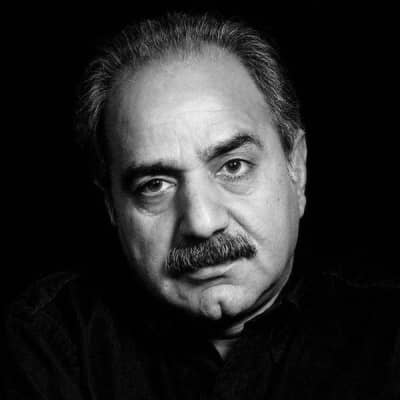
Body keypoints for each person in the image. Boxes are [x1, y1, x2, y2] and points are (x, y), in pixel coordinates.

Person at [2, 12, 399, 399]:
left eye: (233, 166)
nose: (202, 222)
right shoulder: (55, 341)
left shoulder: (390, 331)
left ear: (296, 168)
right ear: (111, 206)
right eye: (155, 185)